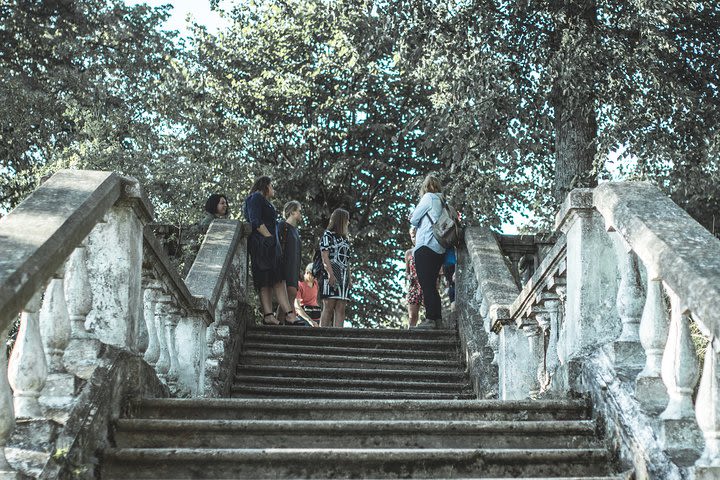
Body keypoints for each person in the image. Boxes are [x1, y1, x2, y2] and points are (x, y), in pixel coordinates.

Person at [243, 176, 305, 326]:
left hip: (268, 245)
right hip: (262, 245)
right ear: (265, 186)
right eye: (271, 186)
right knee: (272, 281)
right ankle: (284, 315)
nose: (273, 189)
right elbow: (255, 220)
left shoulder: (264, 201)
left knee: (274, 280)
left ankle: (272, 315)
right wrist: (269, 238)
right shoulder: (255, 197)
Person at [409, 174, 447, 329]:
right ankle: (437, 319)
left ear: (425, 187)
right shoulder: (442, 201)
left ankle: (431, 319)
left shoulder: (428, 197)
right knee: (432, 284)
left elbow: (413, 219)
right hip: (439, 247)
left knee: (426, 285)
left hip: (425, 245)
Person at [319, 208, 352, 328]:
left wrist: (350, 278)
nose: (348, 222)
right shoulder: (327, 235)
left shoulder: (346, 239)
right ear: (341, 220)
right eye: (347, 220)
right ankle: (322, 336)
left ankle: (338, 337)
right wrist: (330, 274)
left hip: (344, 278)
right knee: (329, 306)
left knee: (341, 307)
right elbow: (324, 255)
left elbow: (347, 260)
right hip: (331, 273)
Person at [276, 201, 303, 320]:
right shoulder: (282, 226)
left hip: (294, 266)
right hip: (284, 264)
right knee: (289, 293)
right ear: (292, 212)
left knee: (291, 294)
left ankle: (280, 325)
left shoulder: (296, 231)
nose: (301, 213)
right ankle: (286, 320)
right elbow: (278, 246)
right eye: (299, 210)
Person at [405, 227, 423, 328]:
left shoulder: (426, 250)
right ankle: (410, 336)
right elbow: (407, 272)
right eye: (412, 236)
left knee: (429, 315)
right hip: (413, 286)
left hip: (425, 285)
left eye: (417, 236)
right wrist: (409, 277)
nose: (415, 238)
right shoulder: (408, 253)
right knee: (412, 316)